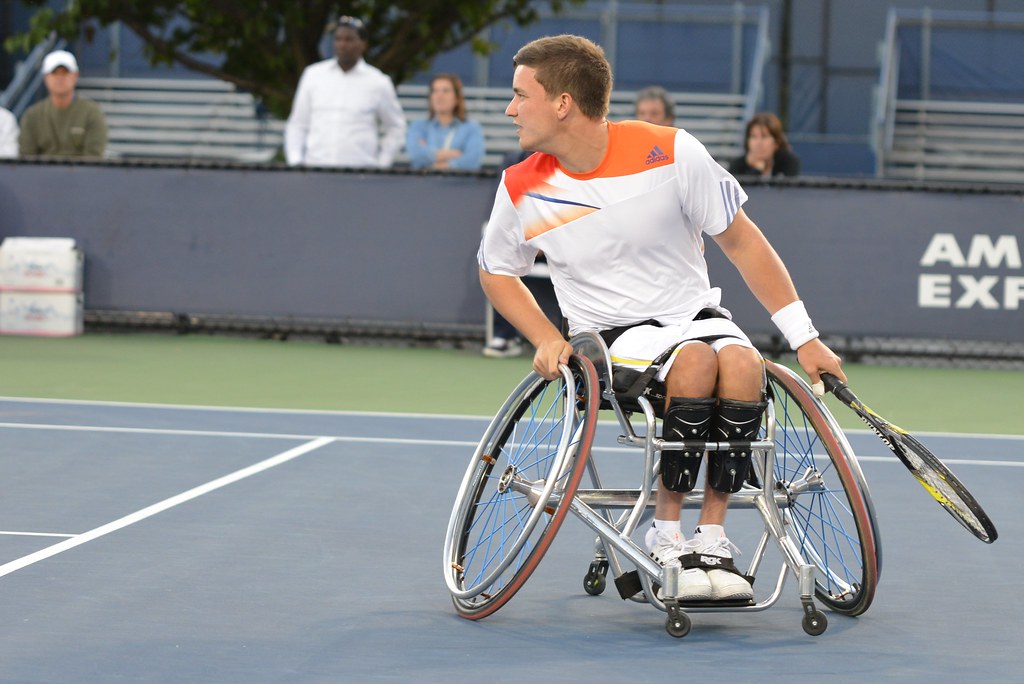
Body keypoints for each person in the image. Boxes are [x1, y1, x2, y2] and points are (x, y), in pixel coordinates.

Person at [477, 35, 845, 601]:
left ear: (562, 103)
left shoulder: (672, 152)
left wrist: (806, 338)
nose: (510, 108)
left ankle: (712, 540)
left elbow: (743, 244)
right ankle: (667, 534)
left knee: (745, 363)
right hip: (608, 338)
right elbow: (497, 271)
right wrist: (547, 336)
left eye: (519, 94)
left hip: (695, 316)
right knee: (696, 364)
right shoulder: (523, 184)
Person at [285, 16, 406, 168]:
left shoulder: (378, 82)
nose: (342, 45)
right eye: (338, 39)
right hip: (316, 169)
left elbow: (396, 127)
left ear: (363, 44)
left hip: (359, 173)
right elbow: (298, 123)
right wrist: (295, 161)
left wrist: (382, 164)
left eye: (349, 39)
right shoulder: (313, 75)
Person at [18, 50, 107, 158]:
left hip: (81, 174)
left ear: (75, 75)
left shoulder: (92, 112)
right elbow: (26, 161)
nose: (60, 78)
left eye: (65, 72)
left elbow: (94, 157)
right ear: (46, 77)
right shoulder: (31, 116)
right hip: (41, 174)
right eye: (54, 73)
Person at [406, 73, 484, 171]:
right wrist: (452, 154)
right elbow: (416, 155)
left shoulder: (471, 128)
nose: (439, 95)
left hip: (459, 184)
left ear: (457, 98)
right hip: (424, 184)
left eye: (445, 91)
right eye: (435, 91)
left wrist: (437, 165)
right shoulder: (418, 126)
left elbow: (472, 161)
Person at [729, 112, 800, 177]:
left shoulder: (789, 162)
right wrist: (757, 169)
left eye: (764, 136)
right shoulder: (737, 166)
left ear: (776, 143)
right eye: (753, 137)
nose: (758, 143)